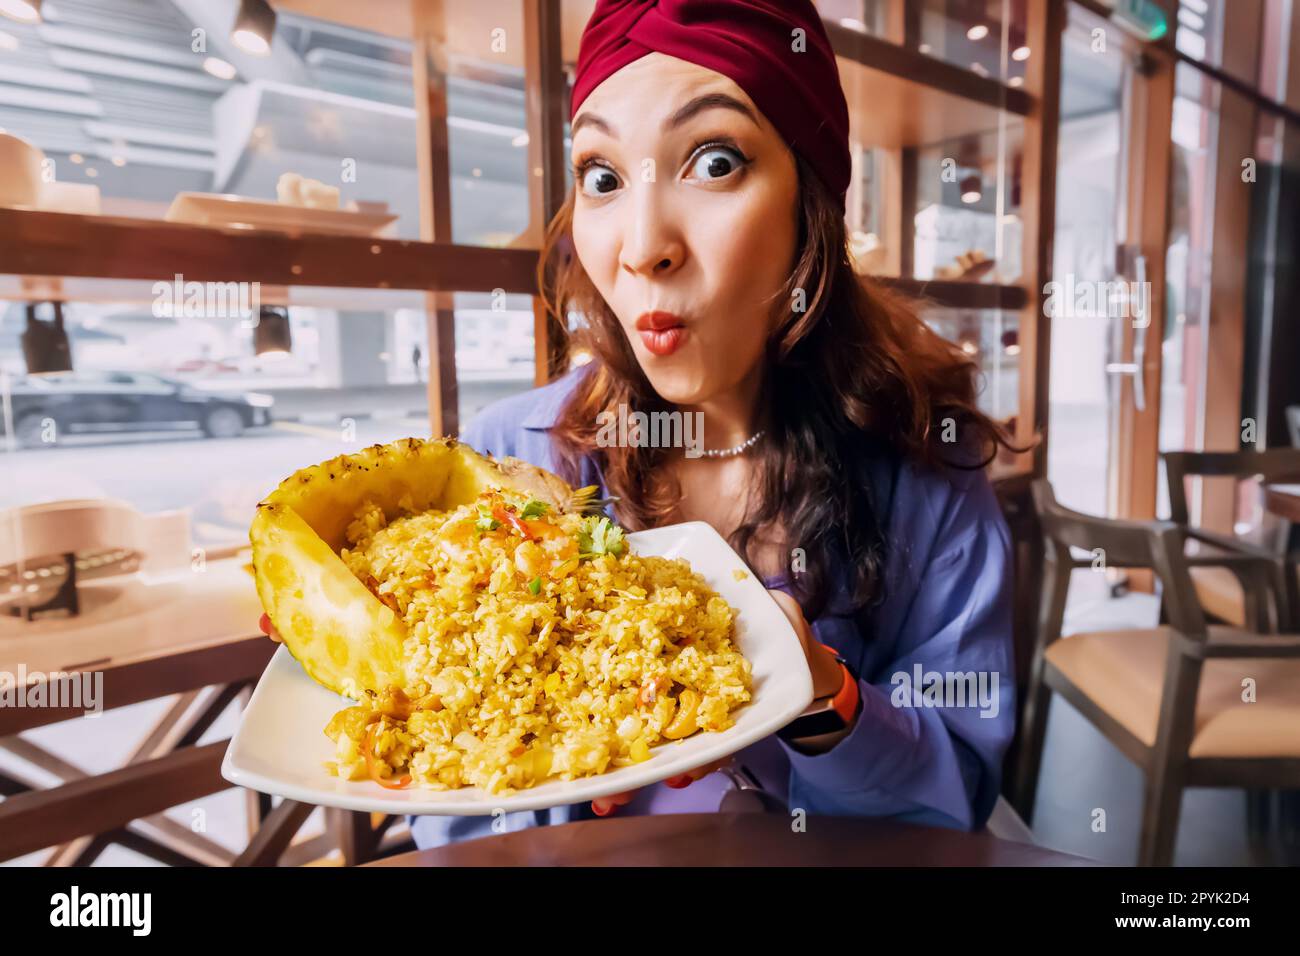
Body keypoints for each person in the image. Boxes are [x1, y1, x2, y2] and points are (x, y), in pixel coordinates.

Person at [260, 0, 1019, 850]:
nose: (643, 244)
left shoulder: (925, 470)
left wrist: (824, 699)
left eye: (716, 161)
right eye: (603, 177)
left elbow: (960, 802)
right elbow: (448, 815)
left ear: (812, 207)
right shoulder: (507, 459)